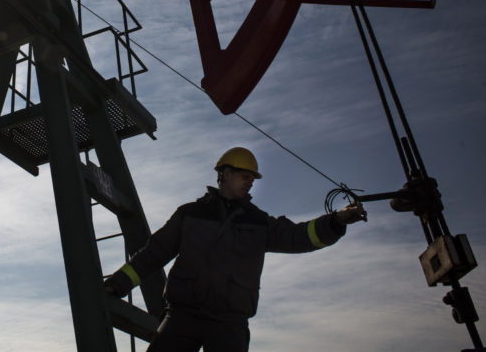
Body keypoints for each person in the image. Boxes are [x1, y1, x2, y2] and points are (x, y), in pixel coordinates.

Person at [104, 147, 366, 352]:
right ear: (225, 174)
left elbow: (299, 236)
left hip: (230, 323)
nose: (250, 183)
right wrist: (115, 285)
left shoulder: (259, 222)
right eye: (245, 176)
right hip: (183, 315)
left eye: (252, 179)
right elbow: (154, 253)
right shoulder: (189, 215)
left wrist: (336, 221)